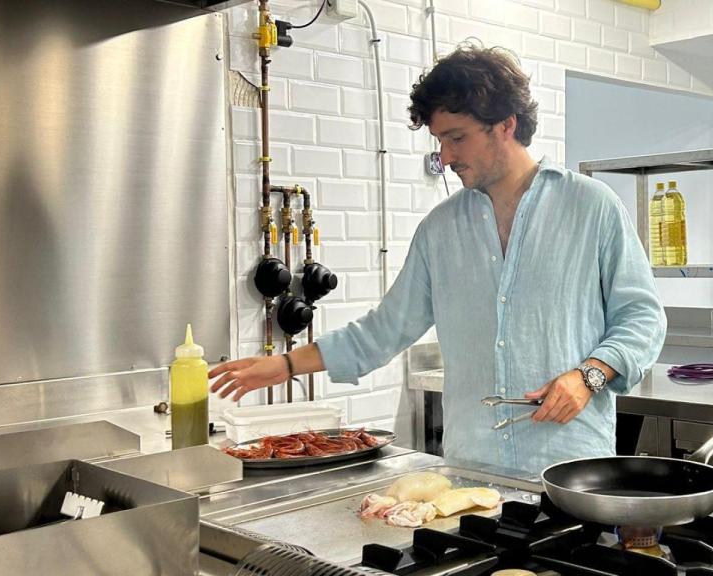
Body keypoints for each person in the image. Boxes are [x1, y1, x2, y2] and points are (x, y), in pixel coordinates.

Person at [209, 42, 666, 474]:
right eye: (440, 141)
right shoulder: (440, 230)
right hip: (472, 474)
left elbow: (642, 319)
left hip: (570, 470)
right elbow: (384, 330)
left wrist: (588, 376)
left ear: (506, 125)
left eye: (457, 138)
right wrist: (285, 366)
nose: (445, 157)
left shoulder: (591, 207)